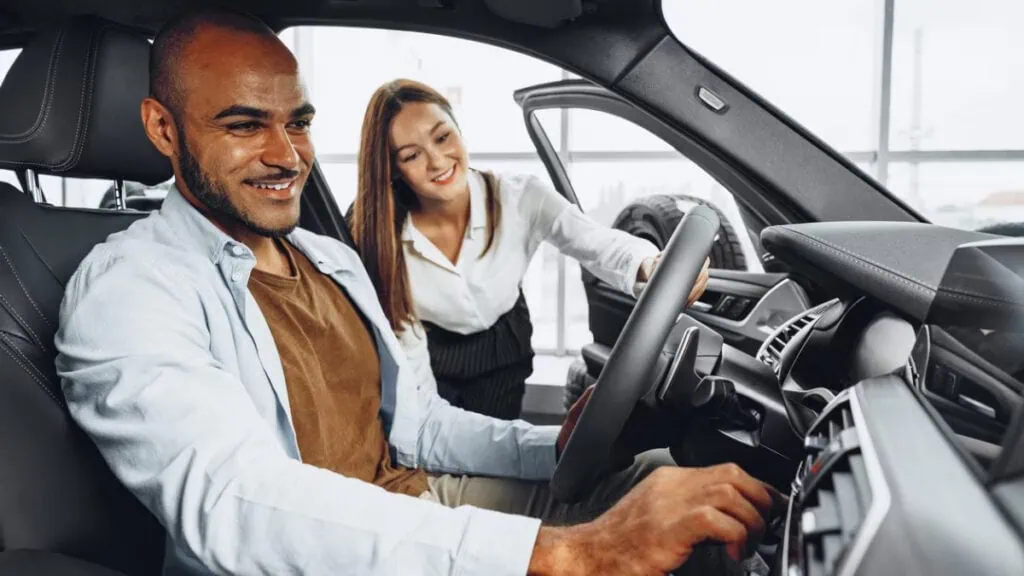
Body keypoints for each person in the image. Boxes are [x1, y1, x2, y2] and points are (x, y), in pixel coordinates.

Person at [55, 8, 774, 576]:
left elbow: (420, 429)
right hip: (315, 560)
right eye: (244, 126)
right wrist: (569, 553)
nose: (286, 155)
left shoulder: (326, 259)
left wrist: (557, 446)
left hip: (416, 501)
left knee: (677, 487)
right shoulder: (130, 289)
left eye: (298, 122)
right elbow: (231, 502)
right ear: (162, 128)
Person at [351, 79, 709, 419]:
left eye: (443, 137)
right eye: (412, 155)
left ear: (458, 130)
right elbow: (411, 371)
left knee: (497, 453)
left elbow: (597, 244)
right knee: (442, 454)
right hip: (429, 350)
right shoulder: (382, 236)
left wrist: (650, 263)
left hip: (503, 346)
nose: (437, 161)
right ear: (393, 169)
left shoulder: (520, 197)